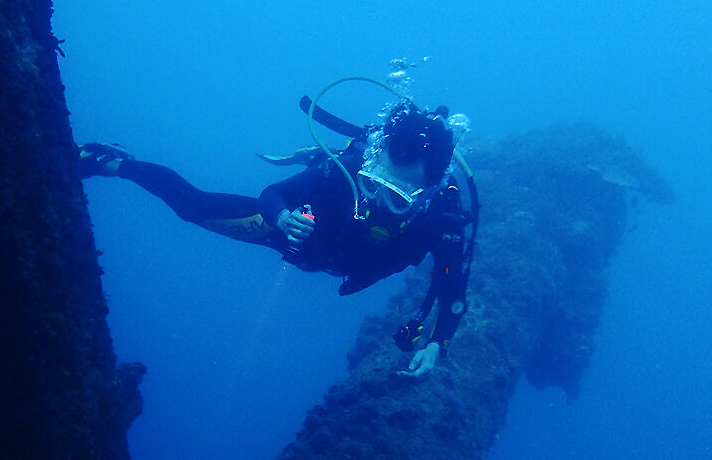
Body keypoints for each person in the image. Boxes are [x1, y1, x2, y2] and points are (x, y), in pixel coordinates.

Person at [78, 100, 480, 377]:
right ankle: (114, 164)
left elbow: (451, 286)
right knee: (192, 206)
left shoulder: (438, 217)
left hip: (331, 256)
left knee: (194, 207)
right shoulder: (350, 166)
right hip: (289, 233)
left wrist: (438, 343)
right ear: (373, 161)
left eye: (396, 198)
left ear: (425, 195)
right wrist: (282, 218)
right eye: (372, 184)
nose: (373, 201)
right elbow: (274, 193)